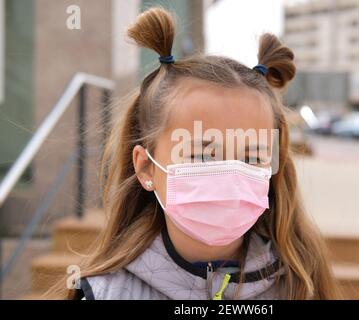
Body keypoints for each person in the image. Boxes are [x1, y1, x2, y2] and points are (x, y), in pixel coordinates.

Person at [51, 6, 340, 300]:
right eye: (202, 155)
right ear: (145, 168)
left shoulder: (300, 287)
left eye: (252, 158)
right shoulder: (106, 293)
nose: (230, 176)